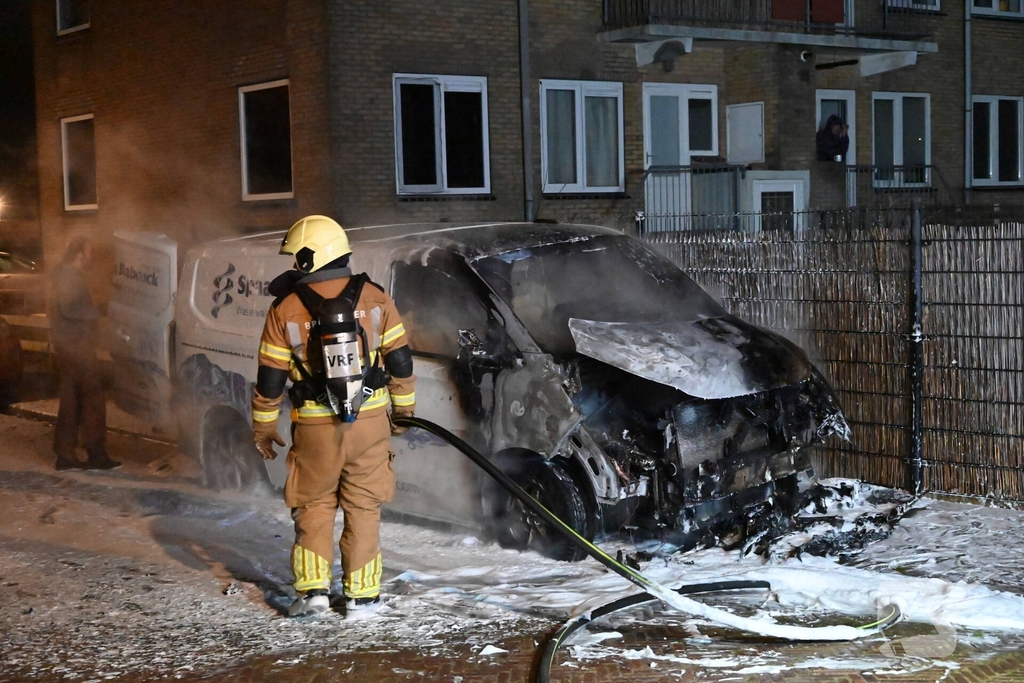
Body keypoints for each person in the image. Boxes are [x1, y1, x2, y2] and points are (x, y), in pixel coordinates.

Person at [251, 215, 416, 620]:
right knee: (364, 506)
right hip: (371, 424)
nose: (293, 265)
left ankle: (313, 594)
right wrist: (404, 411)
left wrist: (264, 427)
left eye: (296, 258)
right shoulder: (376, 298)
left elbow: (270, 379)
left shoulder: (284, 309)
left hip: (315, 428)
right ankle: (363, 598)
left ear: (309, 258)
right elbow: (400, 361)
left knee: (314, 505)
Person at [49, 236, 120, 471]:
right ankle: (96, 454)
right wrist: (98, 310)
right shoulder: (67, 276)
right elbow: (69, 308)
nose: (92, 256)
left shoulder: (64, 274)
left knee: (71, 401)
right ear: (79, 254)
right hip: (76, 347)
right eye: (89, 252)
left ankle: (65, 455)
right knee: (93, 399)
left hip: (69, 346)